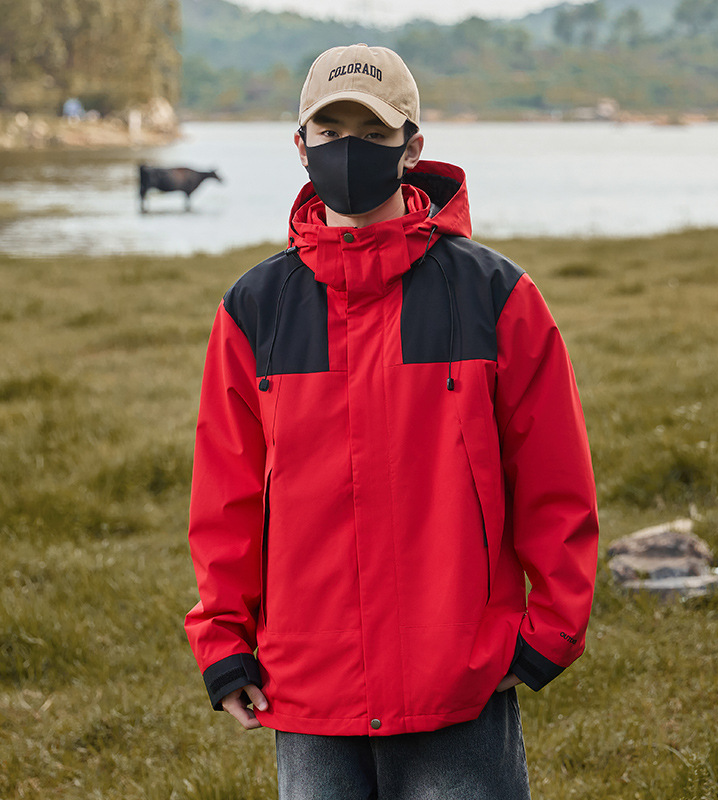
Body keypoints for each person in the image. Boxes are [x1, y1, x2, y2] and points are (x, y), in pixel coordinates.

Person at [185, 43, 599, 799]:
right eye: (331, 128)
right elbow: (226, 498)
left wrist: (549, 635)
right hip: (306, 687)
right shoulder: (254, 310)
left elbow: (556, 482)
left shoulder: (497, 297)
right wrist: (222, 642)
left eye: (374, 134)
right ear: (300, 144)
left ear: (413, 147)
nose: (350, 149)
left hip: (459, 682)